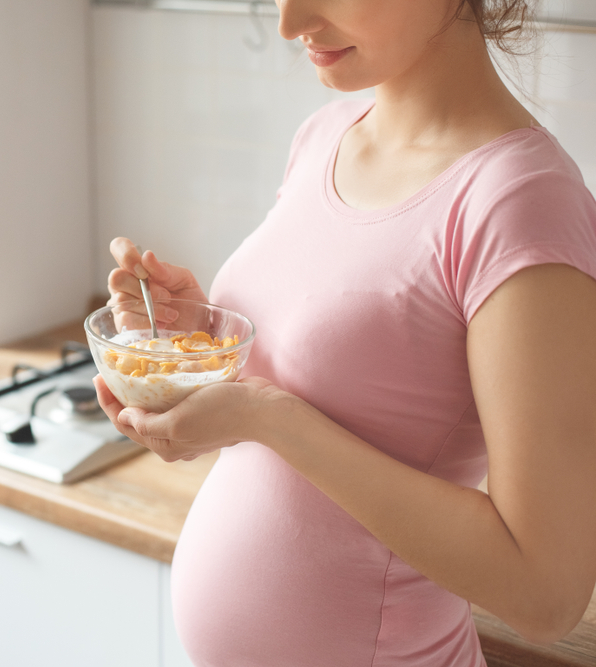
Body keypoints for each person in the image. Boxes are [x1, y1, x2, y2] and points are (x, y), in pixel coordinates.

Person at [92, 0, 596, 665]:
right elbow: (355, 374)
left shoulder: (520, 201)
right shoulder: (327, 134)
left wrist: (267, 416)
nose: (290, 22)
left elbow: (545, 592)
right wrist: (199, 336)